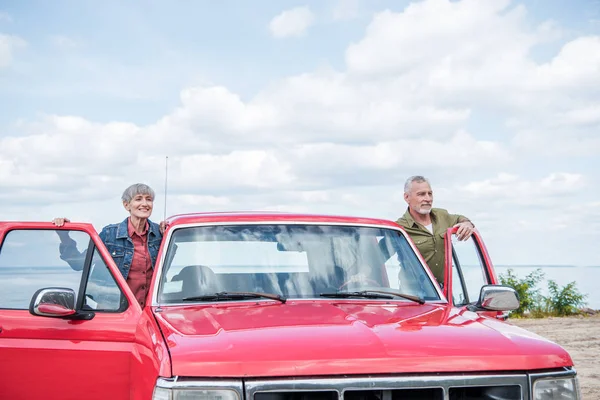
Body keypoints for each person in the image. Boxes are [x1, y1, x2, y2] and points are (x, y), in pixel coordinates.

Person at [52, 183, 165, 307]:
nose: (145, 204)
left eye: (149, 199)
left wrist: (168, 232)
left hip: (149, 310)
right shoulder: (109, 234)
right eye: (138, 199)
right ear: (126, 205)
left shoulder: (160, 233)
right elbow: (79, 263)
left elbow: (166, 265)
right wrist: (64, 236)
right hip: (114, 309)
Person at [396, 175, 474, 286]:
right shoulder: (399, 228)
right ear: (407, 197)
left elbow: (459, 218)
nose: (428, 199)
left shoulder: (442, 215)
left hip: (443, 291)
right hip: (413, 294)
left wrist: (467, 223)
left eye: (430, 193)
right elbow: (378, 256)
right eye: (421, 194)